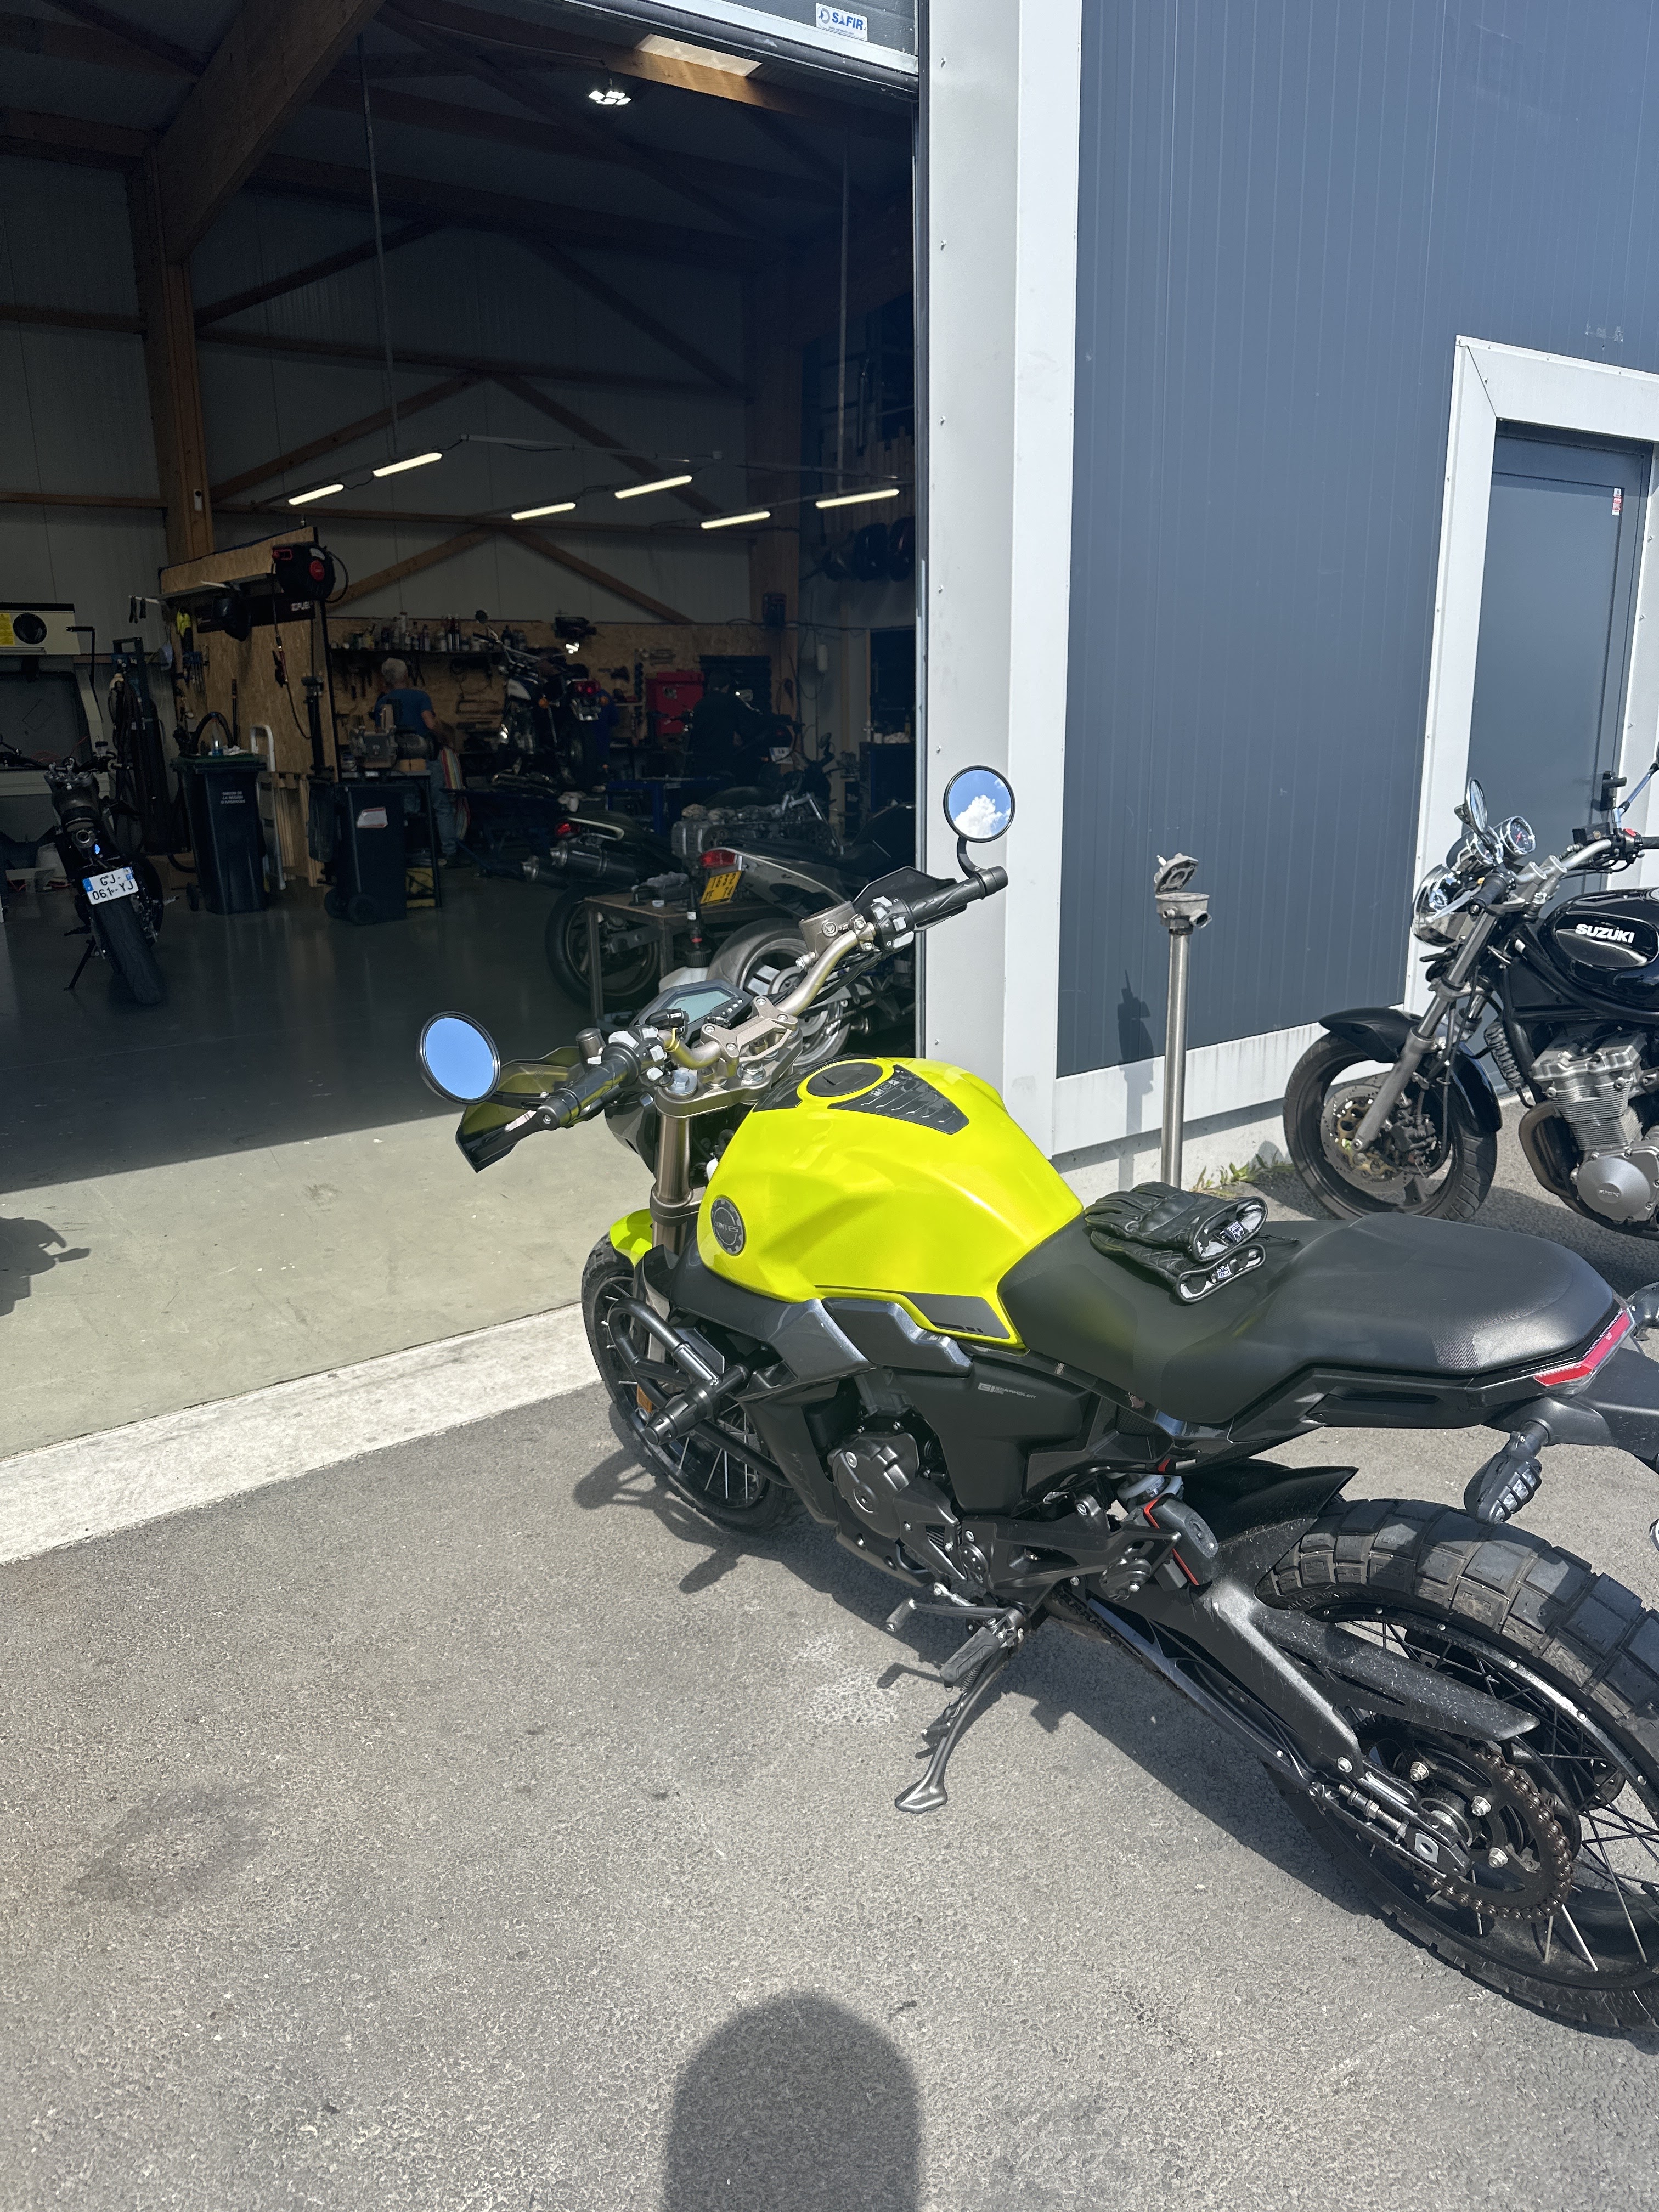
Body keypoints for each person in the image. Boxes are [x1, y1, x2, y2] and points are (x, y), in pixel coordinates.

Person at [374, 656, 460, 862]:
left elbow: (380, 734)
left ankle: (409, 854)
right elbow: (430, 724)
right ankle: (450, 853)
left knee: (407, 809)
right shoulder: (420, 696)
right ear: (405, 675)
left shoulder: (382, 703)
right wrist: (446, 738)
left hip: (399, 763)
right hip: (426, 759)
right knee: (441, 806)